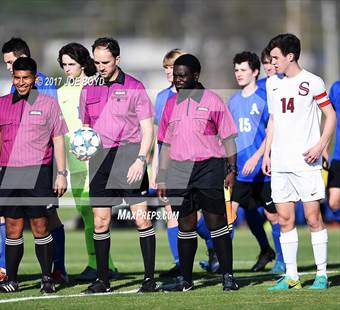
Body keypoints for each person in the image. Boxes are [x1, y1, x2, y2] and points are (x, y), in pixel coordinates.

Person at [0, 37, 68, 285]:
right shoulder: (3, 100)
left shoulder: (46, 94)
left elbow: (56, 135)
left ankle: (52, 274)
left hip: (40, 168)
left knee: (43, 224)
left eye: (23, 76)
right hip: (10, 171)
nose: (18, 79)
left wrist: (60, 173)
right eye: (13, 74)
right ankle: (10, 276)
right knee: (12, 225)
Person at [79, 37, 156, 294]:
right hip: (100, 158)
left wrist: (141, 160)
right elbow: (86, 129)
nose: (100, 66)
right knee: (100, 222)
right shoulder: (88, 89)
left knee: (142, 220)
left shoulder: (135, 87)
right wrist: (85, 149)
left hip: (130, 155)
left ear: (117, 60)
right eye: (96, 62)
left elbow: (148, 130)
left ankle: (148, 280)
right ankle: (102, 280)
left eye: (105, 62)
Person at [157, 54, 239, 291]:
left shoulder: (213, 100)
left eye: (182, 76)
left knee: (216, 223)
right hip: (178, 170)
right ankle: (186, 280)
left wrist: (231, 169)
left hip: (209, 167)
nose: (178, 80)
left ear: (195, 76)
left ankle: (228, 277)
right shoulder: (170, 103)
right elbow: (166, 142)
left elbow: (229, 138)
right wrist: (162, 174)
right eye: (175, 76)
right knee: (185, 224)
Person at [262, 33, 336, 290]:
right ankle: (292, 277)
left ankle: (322, 275)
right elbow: (273, 120)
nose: (272, 62)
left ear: (290, 56)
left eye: (275, 57)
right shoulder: (271, 83)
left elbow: (330, 116)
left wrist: (320, 146)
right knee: (284, 220)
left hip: (306, 162)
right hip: (281, 163)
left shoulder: (313, 82)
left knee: (314, 218)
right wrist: (266, 153)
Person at [150, 49, 218, 278]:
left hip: (199, 163)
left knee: (199, 215)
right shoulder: (162, 98)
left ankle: (213, 245)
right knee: (172, 212)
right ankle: (181, 263)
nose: (169, 72)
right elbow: (160, 136)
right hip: (172, 162)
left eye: (173, 68)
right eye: (166, 68)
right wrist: (156, 167)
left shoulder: (200, 95)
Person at [57, 42, 118, 282]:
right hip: (74, 162)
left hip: (97, 158)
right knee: (84, 212)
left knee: (97, 213)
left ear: (84, 64)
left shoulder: (97, 87)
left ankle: (100, 264)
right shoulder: (61, 92)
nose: (67, 69)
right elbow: (61, 131)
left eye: (71, 64)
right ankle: (102, 264)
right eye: (63, 65)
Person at [228, 51, 285, 273]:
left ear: (255, 72)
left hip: (263, 169)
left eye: (243, 70)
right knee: (230, 216)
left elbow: (272, 130)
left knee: (272, 215)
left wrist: (258, 156)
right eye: (236, 70)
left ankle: (281, 259)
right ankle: (221, 260)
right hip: (241, 172)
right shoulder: (232, 101)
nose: (239, 74)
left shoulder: (264, 97)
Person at [326, 80, 340, 222]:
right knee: (333, 202)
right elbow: (331, 119)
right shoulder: (336, 88)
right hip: (338, 156)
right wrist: (325, 148)